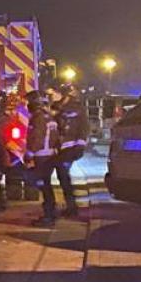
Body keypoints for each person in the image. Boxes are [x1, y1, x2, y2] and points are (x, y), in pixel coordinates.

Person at [53, 83, 88, 218]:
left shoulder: (75, 109)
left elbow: (83, 128)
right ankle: (70, 206)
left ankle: (72, 208)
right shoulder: (60, 107)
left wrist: (79, 146)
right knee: (63, 178)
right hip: (62, 149)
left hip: (70, 149)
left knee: (64, 177)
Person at [25, 90, 60, 226]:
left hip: (41, 156)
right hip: (49, 155)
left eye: (29, 102)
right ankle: (51, 213)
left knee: (41, 184)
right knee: (46, 185)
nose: (28, 105)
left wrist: (29, 154)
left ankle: (49, 216)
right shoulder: (48, 116)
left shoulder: (37, 118)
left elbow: (37, 138)